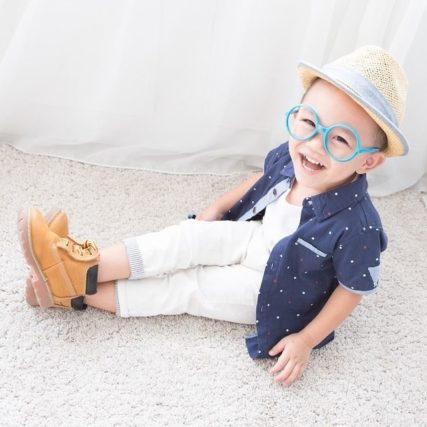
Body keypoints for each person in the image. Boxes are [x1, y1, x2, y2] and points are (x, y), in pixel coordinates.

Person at [17, 45, 409, 386]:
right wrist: (220, 207)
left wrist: (306, 339)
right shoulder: (296, 155)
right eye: (309, 122)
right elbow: (263, 179)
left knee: (189, 286)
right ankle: (79, 265)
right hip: (254, 238)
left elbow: (352, 289)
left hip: (274, 286)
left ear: (369, 161)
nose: (315, 144)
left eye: (340, 139)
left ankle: (72, 292)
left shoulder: (359, 225)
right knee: (185, 238)